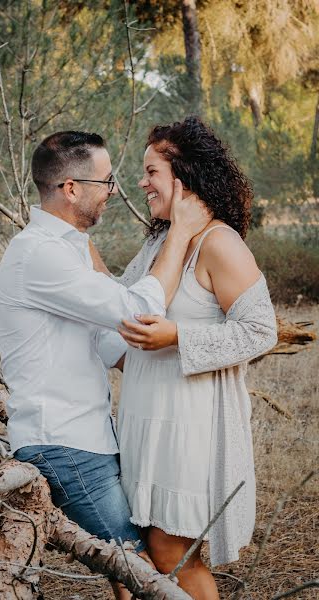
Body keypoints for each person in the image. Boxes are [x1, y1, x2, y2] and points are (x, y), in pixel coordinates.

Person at [0, 130, 211, 599]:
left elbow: (109, 345)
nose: (115, 190)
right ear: (71, 188)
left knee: (133, 565)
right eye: (107, 180)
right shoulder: (39, 254)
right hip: (63, 444)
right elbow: (135, 309)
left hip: (89, 437)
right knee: (138, 567)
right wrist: (181, 233)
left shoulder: (67, 250)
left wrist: (192, 355)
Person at [110, 117, 278, 600]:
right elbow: (127, 302)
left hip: (187, 426)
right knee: (132, 550)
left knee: (171, 554)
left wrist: (177, 337)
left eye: (151, 172)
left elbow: (260, 330)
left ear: (183, 178)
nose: (141, 183)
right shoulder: (159, 242)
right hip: (145, 417)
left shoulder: (219, 243)